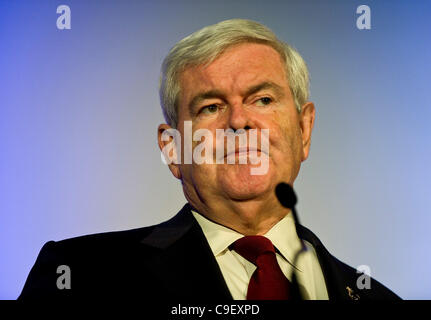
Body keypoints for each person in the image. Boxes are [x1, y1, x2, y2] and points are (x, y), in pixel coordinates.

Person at [18, 19, 400, 301]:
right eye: (210, 106)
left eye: (263, 100)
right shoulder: (79, 276)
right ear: (172, 149)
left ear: (305, 130)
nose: (238, 120)